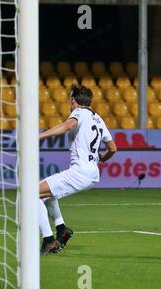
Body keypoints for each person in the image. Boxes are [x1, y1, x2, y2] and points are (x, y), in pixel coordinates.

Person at [38, 84, 117, 255]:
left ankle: (49, 240)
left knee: (31, 194)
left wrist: (40, 136)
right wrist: (101, 158)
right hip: (92, 173)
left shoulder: (78, 113)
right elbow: (113, 148)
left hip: (80, 172)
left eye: (70, 98)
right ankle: (62, 229)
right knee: (48, 193)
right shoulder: (99, 119)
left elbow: (67, 127)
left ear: (73, 100)